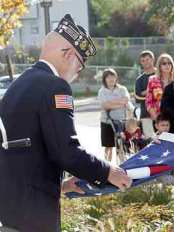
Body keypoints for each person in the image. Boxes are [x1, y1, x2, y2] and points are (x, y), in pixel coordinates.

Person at [0, 14, 132, 232]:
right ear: (69, 54)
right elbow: (66, 151)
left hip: (12, 210)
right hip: (36, 218)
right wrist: (109, 172)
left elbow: (23, 149)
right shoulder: (55, 87)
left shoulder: (18, 85)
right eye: (79, 67)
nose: (76, 76)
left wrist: (59, 185)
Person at [98, 68, 133, 162]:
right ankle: (107, 167)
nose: (111, 79)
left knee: (123, 146)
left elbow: (126, 100)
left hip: (122, 121)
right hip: (107, 122)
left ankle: (123, 166)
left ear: (116, 78)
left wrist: (111, 103)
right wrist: (120, 103)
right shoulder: (102, 91)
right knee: (108, 147)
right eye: (108, 77)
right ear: (104, 79)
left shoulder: (122, 89)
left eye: (113, 76)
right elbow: (105, 105)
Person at [145, 53, 174, 121]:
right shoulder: (152, 80)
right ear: (159, 66)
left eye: (169, 63)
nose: (167, 65)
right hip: (158, 117)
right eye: (164, 63)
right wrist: (156, 118)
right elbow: (149, 101)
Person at [134, 50, 156, 138]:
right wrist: (153, 90)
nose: (145, 62)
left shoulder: (161, 74)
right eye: (143, 61)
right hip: (146, 114)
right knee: (150, 140)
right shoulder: (139, 80)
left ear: (152, 59)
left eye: (147, 59)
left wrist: (146, 92)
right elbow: (138, 98)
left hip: (162, 113)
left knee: (166, 138)